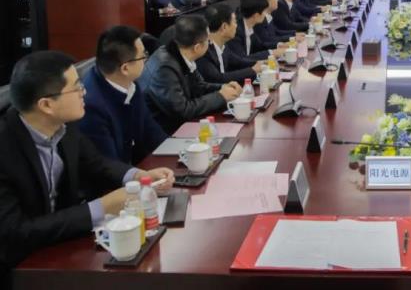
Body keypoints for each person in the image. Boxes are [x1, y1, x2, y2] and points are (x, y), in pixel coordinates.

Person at [0, 51, 174, 269]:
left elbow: (97, 164)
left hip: (60, 249)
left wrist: (137, 176)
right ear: (46, 105)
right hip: (20, 265)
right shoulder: (5, 148)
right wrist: (101, 207)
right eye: (76, 88)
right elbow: (14, 233)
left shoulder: (64, 125)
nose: (84, 92)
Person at [79, 26, 168, 164]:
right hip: (117, 174)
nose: (146, 60)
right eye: (143, 56)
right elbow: (108, 165)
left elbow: (151, 132)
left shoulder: (130, 84)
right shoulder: (92, 106)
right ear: (125, 68)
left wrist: (180, 151)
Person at [139, 15, 241, 133]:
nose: (210, 43)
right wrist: (220, 96)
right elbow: (183, 110)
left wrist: (224, 88)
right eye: (208, 41)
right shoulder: (165, 68)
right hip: (165, 133)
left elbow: (199, 86)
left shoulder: (181, 52)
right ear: (197, 47)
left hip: (181, 125)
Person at [197, 3, 267, 84]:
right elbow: (218, 78)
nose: (236, 26)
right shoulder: (204, 51)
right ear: (224, 27)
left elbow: (238, 62)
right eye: (234, 22)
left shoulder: (223, 45)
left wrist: (261, 63)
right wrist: (253, 70)